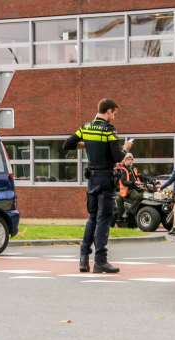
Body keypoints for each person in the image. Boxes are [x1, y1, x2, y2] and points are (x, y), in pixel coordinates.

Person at [63, 98, 132, 273]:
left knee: (92, 218)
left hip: (91, 180)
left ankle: (84, 259)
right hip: (105, 180)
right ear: (108, 111)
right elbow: (118, 157)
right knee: (104, 219)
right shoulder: (109, 130)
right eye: (114, 114)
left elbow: (68, 144)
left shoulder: (86, 127)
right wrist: (126, 147)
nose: (114, 118)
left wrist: (87, 144)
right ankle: (100, 260)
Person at [115, 153, 144, 221]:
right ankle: (128, 211)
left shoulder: (134, 169)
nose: (130, 161)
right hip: (127, 189)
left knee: (146, 194)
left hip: (135, 188)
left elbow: (141, 176)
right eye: (128, 159)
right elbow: (123, 182)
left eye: (131, 159)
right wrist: (134, 183)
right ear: (125, 160)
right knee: (139, 197)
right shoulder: (123, 170)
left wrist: (151, 180)